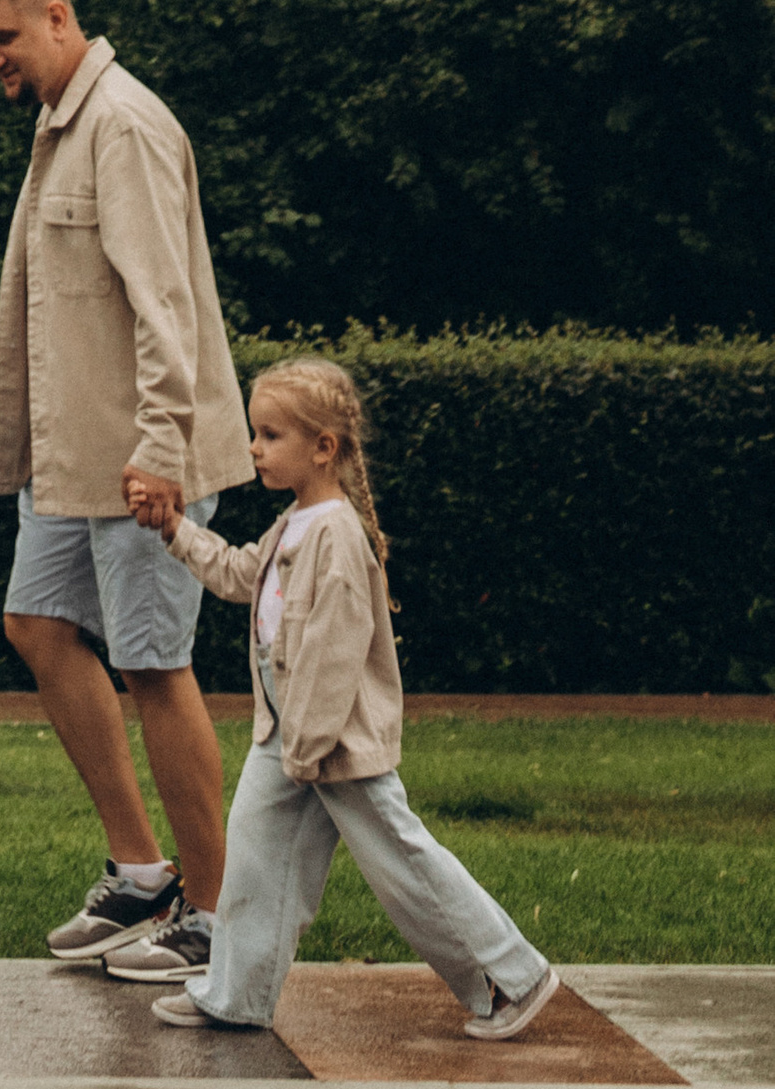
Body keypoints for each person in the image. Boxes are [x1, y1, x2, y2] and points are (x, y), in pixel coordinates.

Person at [0, 0, 252, 990]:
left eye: (3, 37)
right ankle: (141, 873)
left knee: (152, 665)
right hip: (72, 457)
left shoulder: (122, 123)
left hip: (141, 458)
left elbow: (163, 301)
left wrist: (164, 449)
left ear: (56, 14)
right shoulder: (57, 126)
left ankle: (219, 921)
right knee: (35, 625)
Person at [127, 360, 560, 1045]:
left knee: (403, 866)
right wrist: (177, 532)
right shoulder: (292, 524)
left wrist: (308, 745)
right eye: (254, 433)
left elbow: (336, 653)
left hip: (332, 746)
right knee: (255, 857)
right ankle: (236, 994)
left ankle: (511, 976)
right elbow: (241, 574)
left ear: (323, 447)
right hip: (288, 741)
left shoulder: (335, 534)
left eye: (270, 435)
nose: (255, 448)